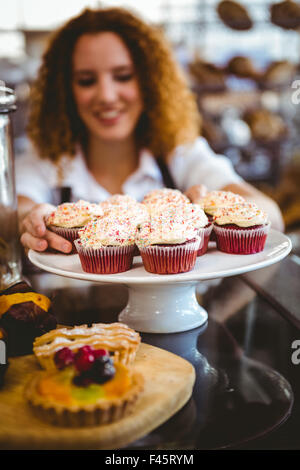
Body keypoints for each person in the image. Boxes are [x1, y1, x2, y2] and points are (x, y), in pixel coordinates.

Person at [17, 7, 284, 254]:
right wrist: (32, 218)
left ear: (150, 82)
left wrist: (212, 209)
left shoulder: (180, 154)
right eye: (86, 81)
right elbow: (15, 209)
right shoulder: (48, 160)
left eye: (123, 76)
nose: (107, 96)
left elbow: (271, 215)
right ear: (64, 90)